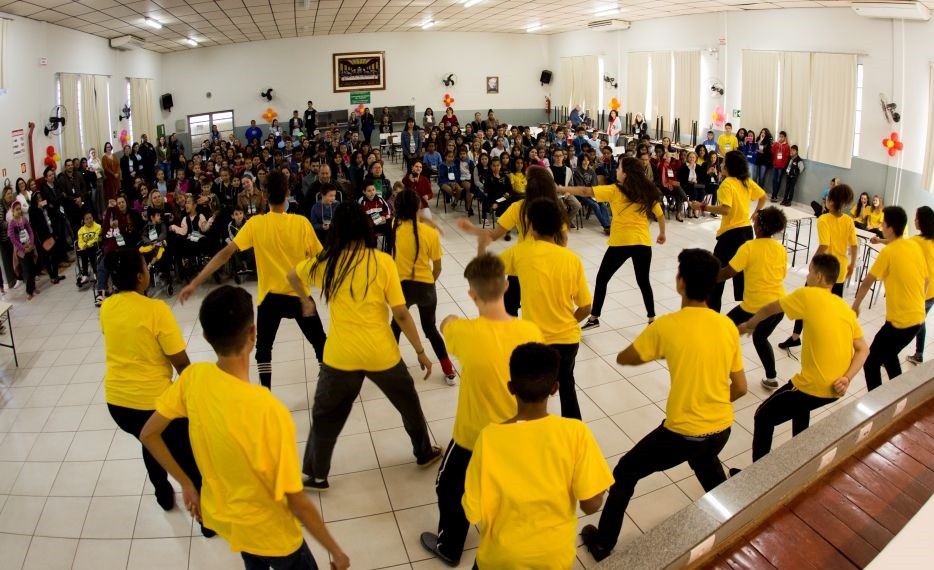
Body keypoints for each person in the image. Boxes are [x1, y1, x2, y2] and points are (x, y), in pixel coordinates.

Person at [139, 286, 349, 570]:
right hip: (274, 536)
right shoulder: (268, 410)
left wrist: (187, 484)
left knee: (252, 559)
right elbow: (296, 501)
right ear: (253, 334)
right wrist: (336, 551)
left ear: (205, 337)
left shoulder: (193, 378)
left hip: (228, 523)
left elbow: (148, 434)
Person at [581, 249, 748, 561]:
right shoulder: (726, 326)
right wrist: (710, 404)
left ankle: (603, 543)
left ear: (680, 282)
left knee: (625, 472)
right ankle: (733, 517)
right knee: (705, 461)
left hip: (681, 434)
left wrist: (658, 348)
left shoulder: (666, 327)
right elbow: (740, 387)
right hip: (721, 427)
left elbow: (625, 357)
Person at [288, 202, 441, 491]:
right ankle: (424, 453)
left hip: (339, 356)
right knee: (409, 404)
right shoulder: (382, 261)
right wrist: (420, 351)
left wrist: (305, 299)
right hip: (380, 353)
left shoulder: (327, 263)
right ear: (365, 227)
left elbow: (293, 276)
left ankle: (316, 474)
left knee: (325, 415)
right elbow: (401, 313)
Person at [420, 254, 544, 565]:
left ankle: (450, 547)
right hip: (515, 436)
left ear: (471, 295)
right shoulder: (531, 332)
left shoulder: (464, 333)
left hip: (471, 437)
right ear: (506, 285)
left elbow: (445, 325)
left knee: (448, 486)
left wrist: (451, 320)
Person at [463, 343, 613, 569]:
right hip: (553, 558)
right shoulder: (576, 433)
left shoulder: (488, 438)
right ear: (555, 388)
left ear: (511, 387)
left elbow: (472, 511)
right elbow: (590, 505)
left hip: (501, 558)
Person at [98, 248, 212, 535]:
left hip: (117, 404)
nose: (149, 270)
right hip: (155, 403)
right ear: (140, 277)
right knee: (188, 458)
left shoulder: (108, 307)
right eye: (146, 267)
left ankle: (162, 493)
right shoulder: (156, 310)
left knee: (147, 437)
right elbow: (181, 362)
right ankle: (207, 519)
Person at [178, 170, 327, 389]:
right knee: (320, 342)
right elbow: (322, 258)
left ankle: (265, 392)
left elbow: (224, 253)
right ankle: (328, 384)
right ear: (288, 193)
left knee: (264, 351)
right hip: (300, 296)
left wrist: (195, 282)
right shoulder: (302, 223)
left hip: (269, 298)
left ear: (264, 196)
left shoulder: (255, 224)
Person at [737, 254, 868, 463]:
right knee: (800, 408)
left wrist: (750, 324)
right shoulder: (844, 307)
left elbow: (771, 307)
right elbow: (863, 350)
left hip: (814, 386)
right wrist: (847, 378)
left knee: (763, 416)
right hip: (837, 386)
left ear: (817, 276)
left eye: (809, 271)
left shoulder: (808, 294)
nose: (807, 275)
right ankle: (799, 459)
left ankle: (755, 478)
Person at [493, 199, 591, 420]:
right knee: (567, 386)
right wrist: (568, 323)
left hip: (536, 342)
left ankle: (532, 432)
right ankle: (573, 435)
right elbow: (586, 307)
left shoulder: (521, 252)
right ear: (558, 227)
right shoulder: (571, 259)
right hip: (567, 341)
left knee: (532, 395)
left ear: (532, 226)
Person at [559, 156, 666, 329]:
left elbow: (585, 192)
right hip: (642, 242)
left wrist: (559, 188)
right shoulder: (647, 189)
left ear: (626, 173)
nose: (616, 170)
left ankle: (594, 318)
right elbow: (660, 214)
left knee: (602, 279)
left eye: (619, 168)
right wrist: (662, 233)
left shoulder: (615, 190)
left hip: (621, 243)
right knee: (643, 281)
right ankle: (652, 319)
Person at [458, 166, 568, 316]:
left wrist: (473, 230)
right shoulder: (557, 208)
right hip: (547, 266)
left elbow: (493, 235)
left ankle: (514, 335)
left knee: (510, 306)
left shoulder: (519, 208)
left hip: (520, 263)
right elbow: (563, 242)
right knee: (541, 308)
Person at [853, 206, 928, 391]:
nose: (882, 225)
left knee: (870, 364)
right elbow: (926, 280)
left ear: (889, 227)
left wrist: (855, 306)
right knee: (889, 355)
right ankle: (897, 395)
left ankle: (878, 406)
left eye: (883, 222)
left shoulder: (888, 253)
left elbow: (867, 281)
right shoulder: (913, 245)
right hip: (918, 320)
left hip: (899, 324)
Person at [387, 189, 456, 383]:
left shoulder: (394, 225)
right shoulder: (429, 234)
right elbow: (438, 267)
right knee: (430, 329)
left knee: (396, 326)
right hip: (426, 286)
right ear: (418, 207)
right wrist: (430, 283)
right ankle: (448, 370)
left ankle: (391, 367)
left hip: (402, 287)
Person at [779, 184, 857, 352]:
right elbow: (854, 246)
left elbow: (824, 245)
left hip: (824, 269)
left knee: (804, 299)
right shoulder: (848, 220)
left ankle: (795, 336)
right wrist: (853, 264)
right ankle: (828, 339)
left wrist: (813, 263)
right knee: (833, 306)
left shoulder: (824, 219)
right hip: (841, 270)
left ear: (830, 201)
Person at [718, 207, 787, 389]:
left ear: (759, 226)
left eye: (755, 220)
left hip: (754, 307)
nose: (753, 222)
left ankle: (722, 372)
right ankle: (771, 378)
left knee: (726, 330)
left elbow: (727, 273)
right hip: (779, 306)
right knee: (760, 338)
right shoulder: (780, 248)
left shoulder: (748, 247)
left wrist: (707, 277)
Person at [690, 150, 767, 312]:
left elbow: (725, 210)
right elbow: (763, 196)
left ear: (730, 166)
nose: (722, 164)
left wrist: (702, 206)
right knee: (740, 272)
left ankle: (713, 314)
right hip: (746, 232)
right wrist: (756, 212)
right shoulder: (745, 181)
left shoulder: (727, 184)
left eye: (724, 162)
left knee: (717, 275)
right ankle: (749, 309)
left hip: (731, 234)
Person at [7, 201, 38, 299]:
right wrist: (22, 248)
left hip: (29, 246)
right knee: (26, 270)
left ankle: (33, 287)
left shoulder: (24, 219)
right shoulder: (12, 223)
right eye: (16, 209)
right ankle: (29, 291)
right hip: (21, 251)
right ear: (13, 211)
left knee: (32, 268)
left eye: (20, 209)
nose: (19, 211)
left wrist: (31, 243)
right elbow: (13, 239)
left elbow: (30, 231)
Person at [76, 211, 102, 285]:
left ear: (93, 218)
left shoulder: (98, 226)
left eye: (90, 218)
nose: (89, 220)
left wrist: (88, 244)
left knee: (90, 252)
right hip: (85, 249)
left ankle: (95, 271)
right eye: (87, 219)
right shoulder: (81, 230)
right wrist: (83, 245)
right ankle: (85, 274)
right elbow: (80, 241)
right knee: (83, 252)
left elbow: (96, 237)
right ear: (84, 221)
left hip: (95, 246)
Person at [769, 131, 791, 201]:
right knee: (774, 180)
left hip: (781, 167)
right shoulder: (776, 144)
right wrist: (774, 144)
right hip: (775, 165)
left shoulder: (787, 146)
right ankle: (773, 195)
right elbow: (772, 152)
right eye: (780, 136)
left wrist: (783, 165)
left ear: (785, 138)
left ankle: (775, 195)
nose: (780, 138)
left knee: (778, 181)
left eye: (782, 137)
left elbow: (787, 157)